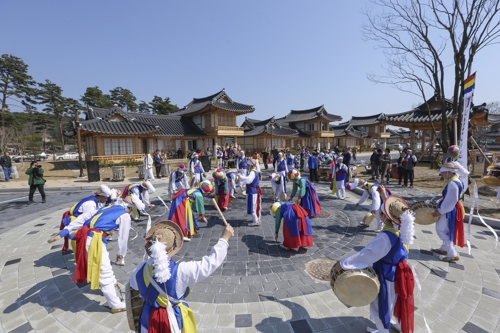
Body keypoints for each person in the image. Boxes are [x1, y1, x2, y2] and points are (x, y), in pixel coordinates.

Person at [129, 221, 235, 332]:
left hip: (148, 321)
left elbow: (134, 287)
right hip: (173, 322)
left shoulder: (138, 271)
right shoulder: (181, 271)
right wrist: (224, 238)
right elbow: (209, 264)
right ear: (172, 248)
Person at [339, 195, 415, 333]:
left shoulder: (386, 236)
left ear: (386, 217)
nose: (378, 215)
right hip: (398, 271)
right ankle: (398, 324)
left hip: (385, 272)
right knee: (396, 299)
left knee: (381, 304)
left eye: (380, 213)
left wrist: (343, 263)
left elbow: (367, 254)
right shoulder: (402, 230)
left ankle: (383, 330)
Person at [71, 196, 135, 313]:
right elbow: (123, 237)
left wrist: (69, 228)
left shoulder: (110, 207)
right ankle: (115, 304)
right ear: (130, 208)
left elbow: (86, 217)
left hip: (89, 237)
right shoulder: (125, 216)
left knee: (105, 268)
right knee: (104, 272)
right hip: (94, 241)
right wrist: (121, 253)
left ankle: (111, 285)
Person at [58, 184, 112, 253]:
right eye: (106, 198)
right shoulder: (91, 204)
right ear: (101, 196)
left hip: (79, 219)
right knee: (82, 240)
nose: (107, 199)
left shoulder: (95, 200)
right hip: (76, 221)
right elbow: (88, 220)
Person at [431, 162, 465, 262]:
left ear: (449, 172)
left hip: (449, 209)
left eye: (442, 173)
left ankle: (452, 253)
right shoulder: (455, 180)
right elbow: (448, 198)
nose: (441, 175)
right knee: (446, 229)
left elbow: (451, 200)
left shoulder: (453, 184)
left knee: (441, 229)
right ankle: (444, 248)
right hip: (451, 208)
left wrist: (441, 211)